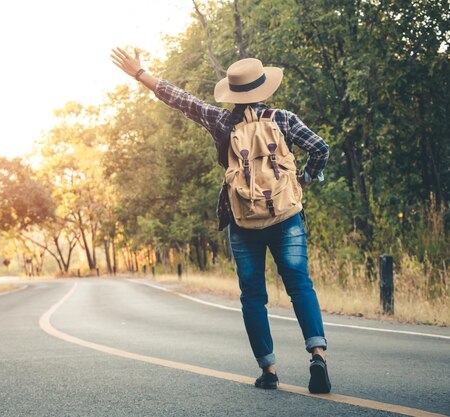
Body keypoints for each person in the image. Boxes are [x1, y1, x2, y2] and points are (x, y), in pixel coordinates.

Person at [111, 47, 331, 394]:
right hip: (286, 216)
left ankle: (269, 370)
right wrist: (303, 180)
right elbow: (320, 148)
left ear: (234, 93)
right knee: (300, 285)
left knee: (253, 295)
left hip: (242, 219)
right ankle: (317, 355)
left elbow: (180, 99)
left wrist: (140, 73)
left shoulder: (222, 122)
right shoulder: (284, 119)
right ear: (264, 88)